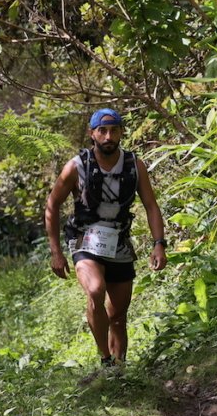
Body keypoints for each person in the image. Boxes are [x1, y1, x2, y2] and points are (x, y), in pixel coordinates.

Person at [44, 108, 167, 365]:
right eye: (102, 130)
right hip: (84, 239)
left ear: (121, 132)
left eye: (114, 130)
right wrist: (56, 251)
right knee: (96, 289)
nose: (108, 136)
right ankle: (105, 358)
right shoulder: (77, 166)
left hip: (119, 242)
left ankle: (118, 371)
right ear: (93, 134)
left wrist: (159, 244)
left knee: (118, 316)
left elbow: (151, 205)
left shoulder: (135, 166)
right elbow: (52, 204)